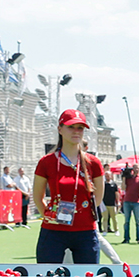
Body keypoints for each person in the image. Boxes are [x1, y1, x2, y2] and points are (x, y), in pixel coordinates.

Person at [32, 110, 105, 264]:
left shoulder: (94, 163)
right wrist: (48, 215)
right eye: (71, 127)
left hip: (85, 231)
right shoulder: (46, 162)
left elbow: (98, 198)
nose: (76, 132)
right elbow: (37, 197)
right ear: (60, 129)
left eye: (80, 128)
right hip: (53, 231)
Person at [121, 164, 139, 244]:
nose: (136, 169)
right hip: (127, 200)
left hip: (136, 202)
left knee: (138, 221)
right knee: (126, 221)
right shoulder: (128, 178)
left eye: (137, 168)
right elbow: (123, 188)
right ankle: (126, 238)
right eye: (135, 168)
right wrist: (124, 178)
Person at [100, 163, 120, 235]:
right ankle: (105, 230)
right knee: (105, 218)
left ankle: (116, 230)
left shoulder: (114, 184)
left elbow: (116, 193)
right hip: (104, 203)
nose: (107, 177)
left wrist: (118, 202)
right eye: (106, 175)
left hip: (112, 203)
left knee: (114, 218)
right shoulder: (103, 183)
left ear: (111, 176)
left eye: (108, 175)